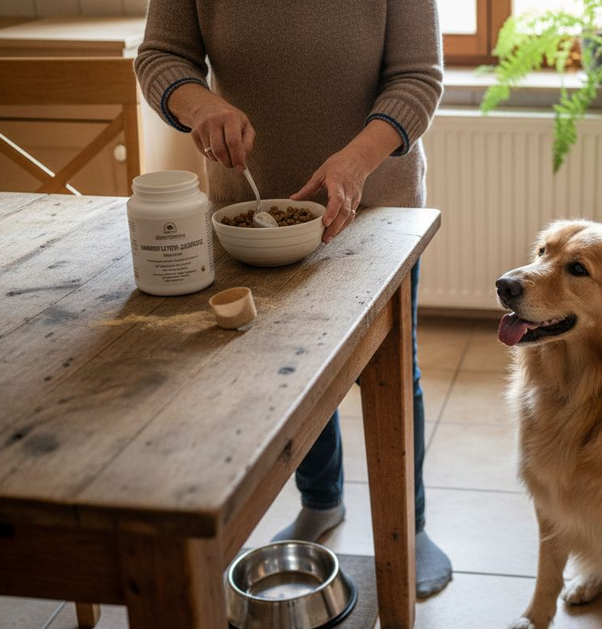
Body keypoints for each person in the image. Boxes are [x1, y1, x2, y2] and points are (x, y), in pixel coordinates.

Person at [134, 0, 452, 597]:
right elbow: (160, 56)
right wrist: (198, 102)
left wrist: (356, 162)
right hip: (249, 212)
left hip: (376, 208)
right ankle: (320, 501)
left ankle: (409, 526)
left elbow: (418, 78)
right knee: (290, 369)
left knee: (390, 368)